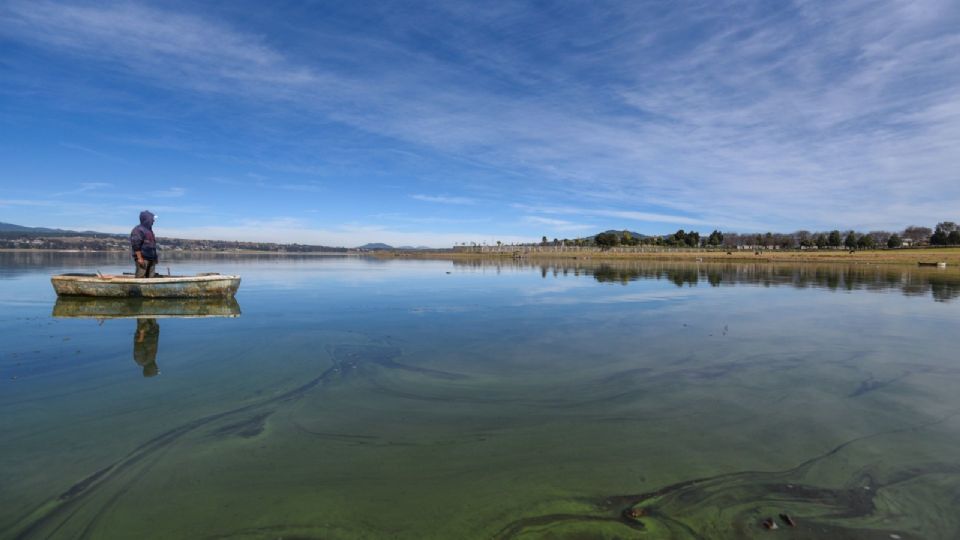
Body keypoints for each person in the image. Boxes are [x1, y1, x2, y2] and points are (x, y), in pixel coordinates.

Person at [130, 210, 158, 278]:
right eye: (152, 219)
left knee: (151, 278)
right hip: (143, 259)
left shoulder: (149, 230)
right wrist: (139, 258)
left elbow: (152, 246)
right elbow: (136, 245)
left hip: (152, 259)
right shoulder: (138, 230)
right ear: (147, 219)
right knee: (140, 277)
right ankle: (137, 288)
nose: (153, 221)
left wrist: (155, 258)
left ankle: (149, 288)